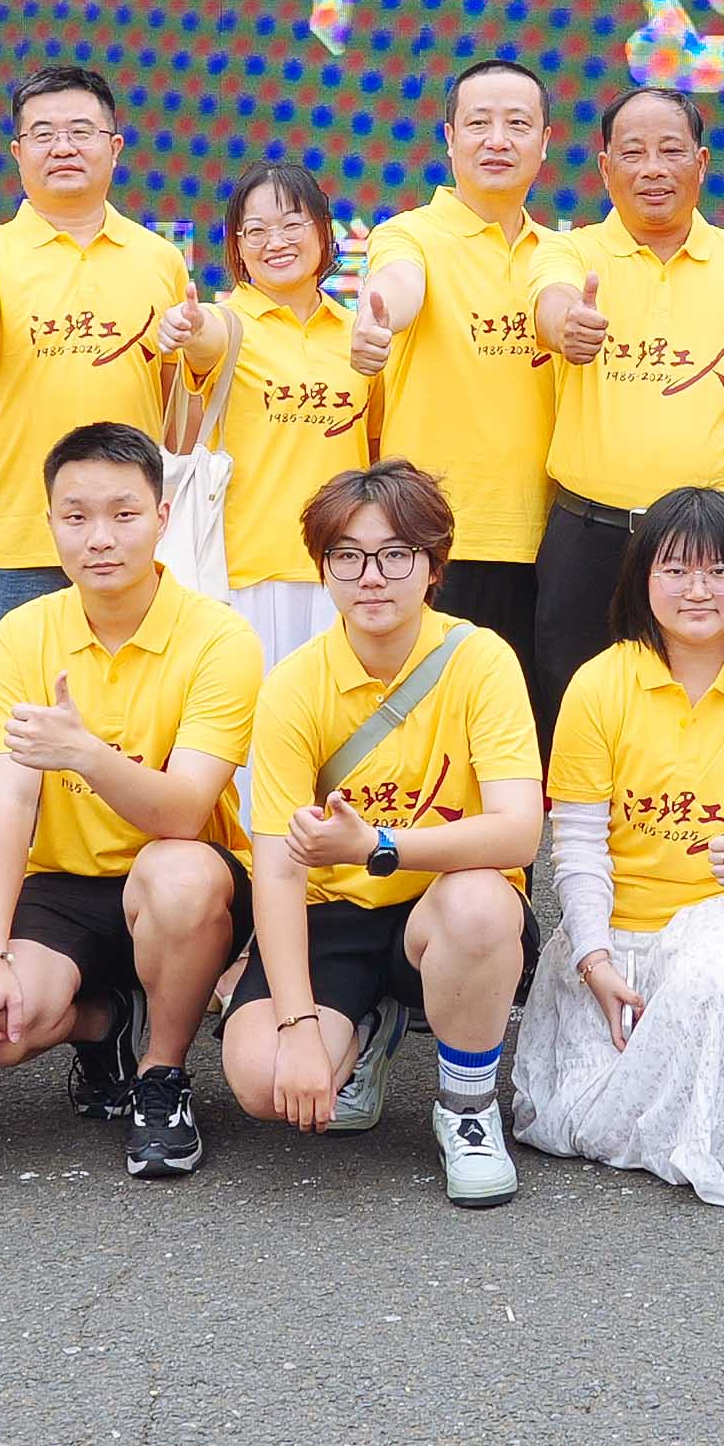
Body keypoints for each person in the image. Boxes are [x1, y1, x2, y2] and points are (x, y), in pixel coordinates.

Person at [217, 460, 551, 1201]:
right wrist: (299, 1027)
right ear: (323, 568)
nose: (371, 577)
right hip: (333, 914)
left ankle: (466, 1107)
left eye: (396, 555)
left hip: (442, 910)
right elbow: (277, 868)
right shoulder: (294, 684)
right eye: (348, 556)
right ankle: (363, 1027)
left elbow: (519, 834)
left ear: (434, 566)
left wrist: (378, 846)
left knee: (480, 906)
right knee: (264, 1081)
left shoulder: (480, 659)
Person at [513, 486, 724, 1205]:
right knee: (582, 1119)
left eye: (721, 570)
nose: (698, 590)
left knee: (713, 977)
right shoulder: (598, 685)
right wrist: (593, 959)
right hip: (619, 938)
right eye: (675, 569)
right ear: (642, 578)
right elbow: (578, 846)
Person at [0, 420, 259, 1176]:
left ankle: (162, 1073)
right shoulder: (21, 635)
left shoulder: (220, 638)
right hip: (64, 883)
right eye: (76, 516)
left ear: (162, 516)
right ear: (50, 522)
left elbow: (184, 812)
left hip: (180, 878)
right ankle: (108, 1021)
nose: (100, 539)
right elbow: (9, 810)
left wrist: (84, 753)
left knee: (178, 875)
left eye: (124, 514)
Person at [528, 82, 724, 664]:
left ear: (701, 163)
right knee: (575, 706)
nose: (652, 169)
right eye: (632, 153)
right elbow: (551, 300)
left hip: (716, 542)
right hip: (590, 537)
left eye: (671, 151)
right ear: (605, 168)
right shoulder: (571, 253)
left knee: (715, 706)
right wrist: (568, 325)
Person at [0, 66, 194, 638]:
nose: (63, 147)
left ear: (115, 147)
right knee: (26, 693)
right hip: (24, 540)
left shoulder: (160, 259)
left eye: (81, 132)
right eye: (43, 134)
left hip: (137, 537)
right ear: (17, 152)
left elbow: (175, 406)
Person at [356, 57, 564, 657]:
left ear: (545, 142)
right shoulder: (409, 235)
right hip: (429, 535)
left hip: (550, 541)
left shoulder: (563, 253)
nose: (497, 140)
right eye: (478, 123)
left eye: (517, 124)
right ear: (450, 138)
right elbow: (398, 283)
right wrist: (378, 318)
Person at [177, 162, 374, 660]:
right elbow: (205, 341)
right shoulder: (227, 323)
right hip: (246, 575)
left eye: (291, 224)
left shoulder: (357, 335)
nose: (276, 242)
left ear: (323, 231)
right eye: (257, 231)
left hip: (345, 568)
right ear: (238, 246)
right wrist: (190, 330)